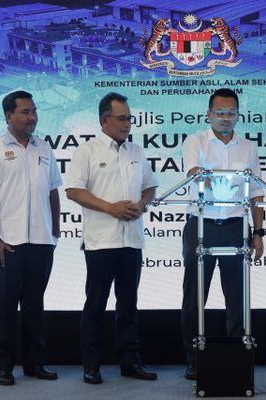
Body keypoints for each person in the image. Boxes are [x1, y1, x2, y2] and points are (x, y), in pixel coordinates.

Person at [65, 92, 158, 384]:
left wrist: (141, 205)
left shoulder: (136, 151)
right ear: (105, 120)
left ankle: (130, 362)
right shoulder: (87, 151)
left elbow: (150, 187)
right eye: (122, 118)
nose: (127, 124)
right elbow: (73, 191)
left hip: (132, 240)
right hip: (101, 241)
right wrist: (110, 208)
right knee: (96, 305)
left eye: (129, 118)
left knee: (128, 305)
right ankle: (91, 365)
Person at [0, 90, 62, 386]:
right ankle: (2, 365)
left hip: (41, 242)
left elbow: (53, 191)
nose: (32, 117)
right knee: (3, 306)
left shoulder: (44, 148)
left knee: (34, 305)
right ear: (8, 116)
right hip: (7, 243)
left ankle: (35, 363)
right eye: (25, 112)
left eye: (34, 111)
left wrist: (54, 230)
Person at [181, 88, 265, 380]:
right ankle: (194, 358)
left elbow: (256, 192)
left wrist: (258, 232)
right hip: (201, 225)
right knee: (194, 296)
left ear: (238, 115)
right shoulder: (195, 141)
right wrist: (213, 180)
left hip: (235, 227)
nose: (225, 118)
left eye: (231, 113)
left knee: (238, 297)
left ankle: (238, 356)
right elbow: (194, 171)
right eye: (220, 113)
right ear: (209, 115)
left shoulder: (248, 147)